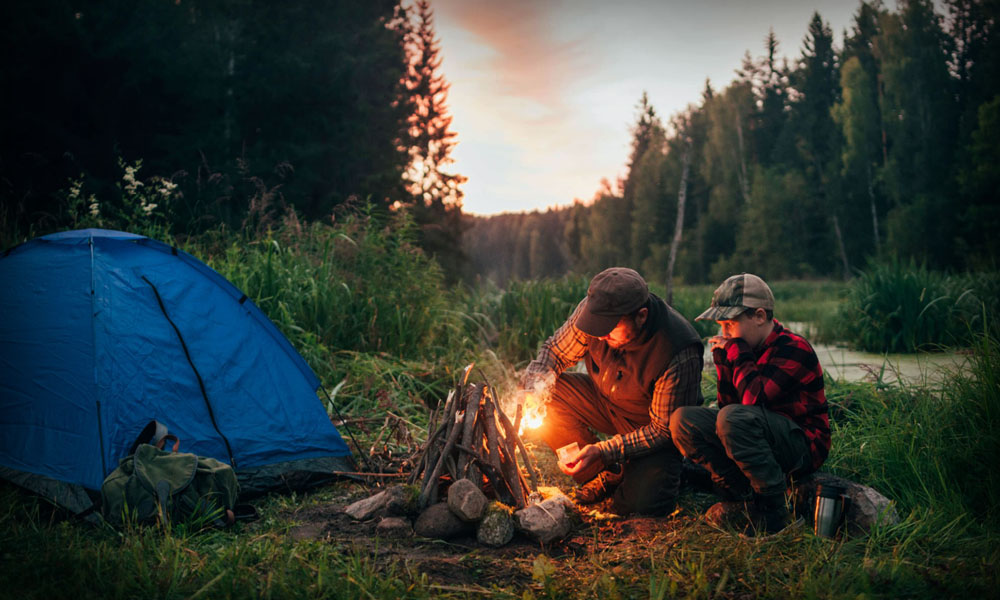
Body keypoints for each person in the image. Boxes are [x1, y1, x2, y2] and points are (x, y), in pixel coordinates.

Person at [520, 267, 704, 516]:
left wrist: (606, 450)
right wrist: (533, 388)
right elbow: (555, 351)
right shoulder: (594, 315)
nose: (601, 333)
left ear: (641, 316)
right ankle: (604, 473)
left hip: (653, 428)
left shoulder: (677, 348)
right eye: (598, 326)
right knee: (549, 394)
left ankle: (682, 471)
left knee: (638, 506)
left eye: (610, 327)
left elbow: (662, 430)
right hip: (606, 403)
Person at [669, 273, 830, 536]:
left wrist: (736, 351)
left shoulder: (793, 348)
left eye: (730, 324)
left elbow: (753, 402)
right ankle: (738, 492)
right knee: (683, 420)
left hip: (802, 446)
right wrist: (723, 362)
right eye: (721, 326)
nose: (724, 334)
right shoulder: (743, 346)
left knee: (734, 418)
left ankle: (774, 509)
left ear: (759, 316)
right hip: (761, 435)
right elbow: (728, 407)